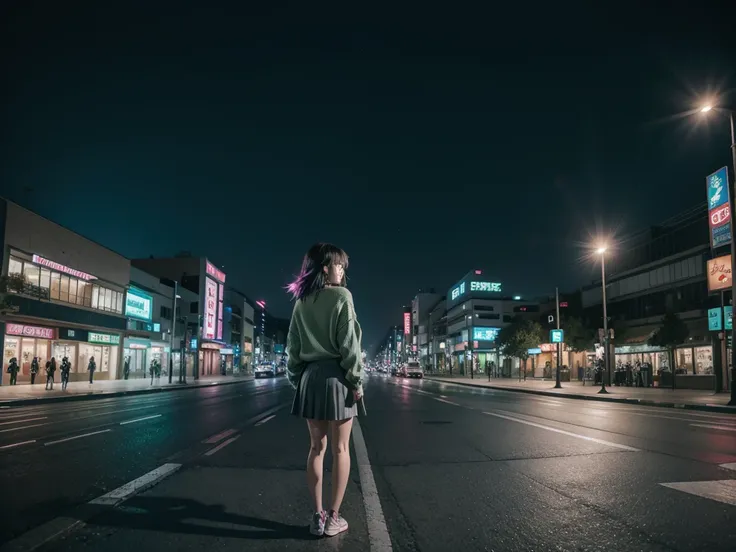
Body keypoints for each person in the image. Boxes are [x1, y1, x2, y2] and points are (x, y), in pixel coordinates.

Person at [285, 243, 366, 538]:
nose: (342, 270)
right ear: (324, 268)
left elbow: (292, 349)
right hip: (337, 379)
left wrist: (299, 382)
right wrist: (356, 382)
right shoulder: (343, 296)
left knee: (315, 449)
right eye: (338, 265)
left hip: (310, 379)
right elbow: (349, 346)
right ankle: (334, 517)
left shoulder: (301, 302)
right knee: (341, 449)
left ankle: (316, 517)